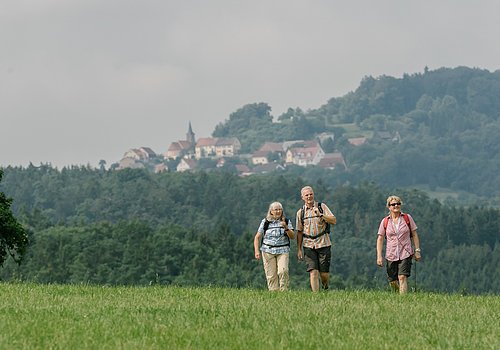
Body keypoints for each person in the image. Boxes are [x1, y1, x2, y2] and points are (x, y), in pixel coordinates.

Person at [376, 195, 422, 294]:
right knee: (392, 281)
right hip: (391, 254)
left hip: (406, 252)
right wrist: (379, 256)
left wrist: (417, 250)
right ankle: (397, 294)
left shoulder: (407, 218)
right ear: (389, 207)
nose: (396, 206)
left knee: (402, 276)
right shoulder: (385, 221)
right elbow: (380, 238)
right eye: (393, 204)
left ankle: (403, 300)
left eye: (398, 204)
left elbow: (414, 234)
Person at [296, 186, 336, 292]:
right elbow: (299, 231)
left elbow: (333, 220)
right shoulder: (301, 212)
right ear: (302, 197)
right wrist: (299, 249)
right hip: (308, 244)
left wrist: (321, 215)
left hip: (323, 243)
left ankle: (325, 286)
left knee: (324, 273)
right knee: (313, 272)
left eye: (311, 194)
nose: (309, 196)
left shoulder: (321, 206)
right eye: (307, 195)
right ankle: (316, 296)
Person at [254, 201, 295, 291]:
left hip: (283, 250)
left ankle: (284, 291)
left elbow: (292, 237)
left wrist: (286, 228)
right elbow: (257, 237)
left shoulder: (286, 221)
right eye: (276, 209)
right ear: (271, 211)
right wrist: (257, 251)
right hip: (267, 251)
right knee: (271, 275)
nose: (278, 211)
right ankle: (274, 293)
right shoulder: (265, 222)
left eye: (280, 209)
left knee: (283, 271)